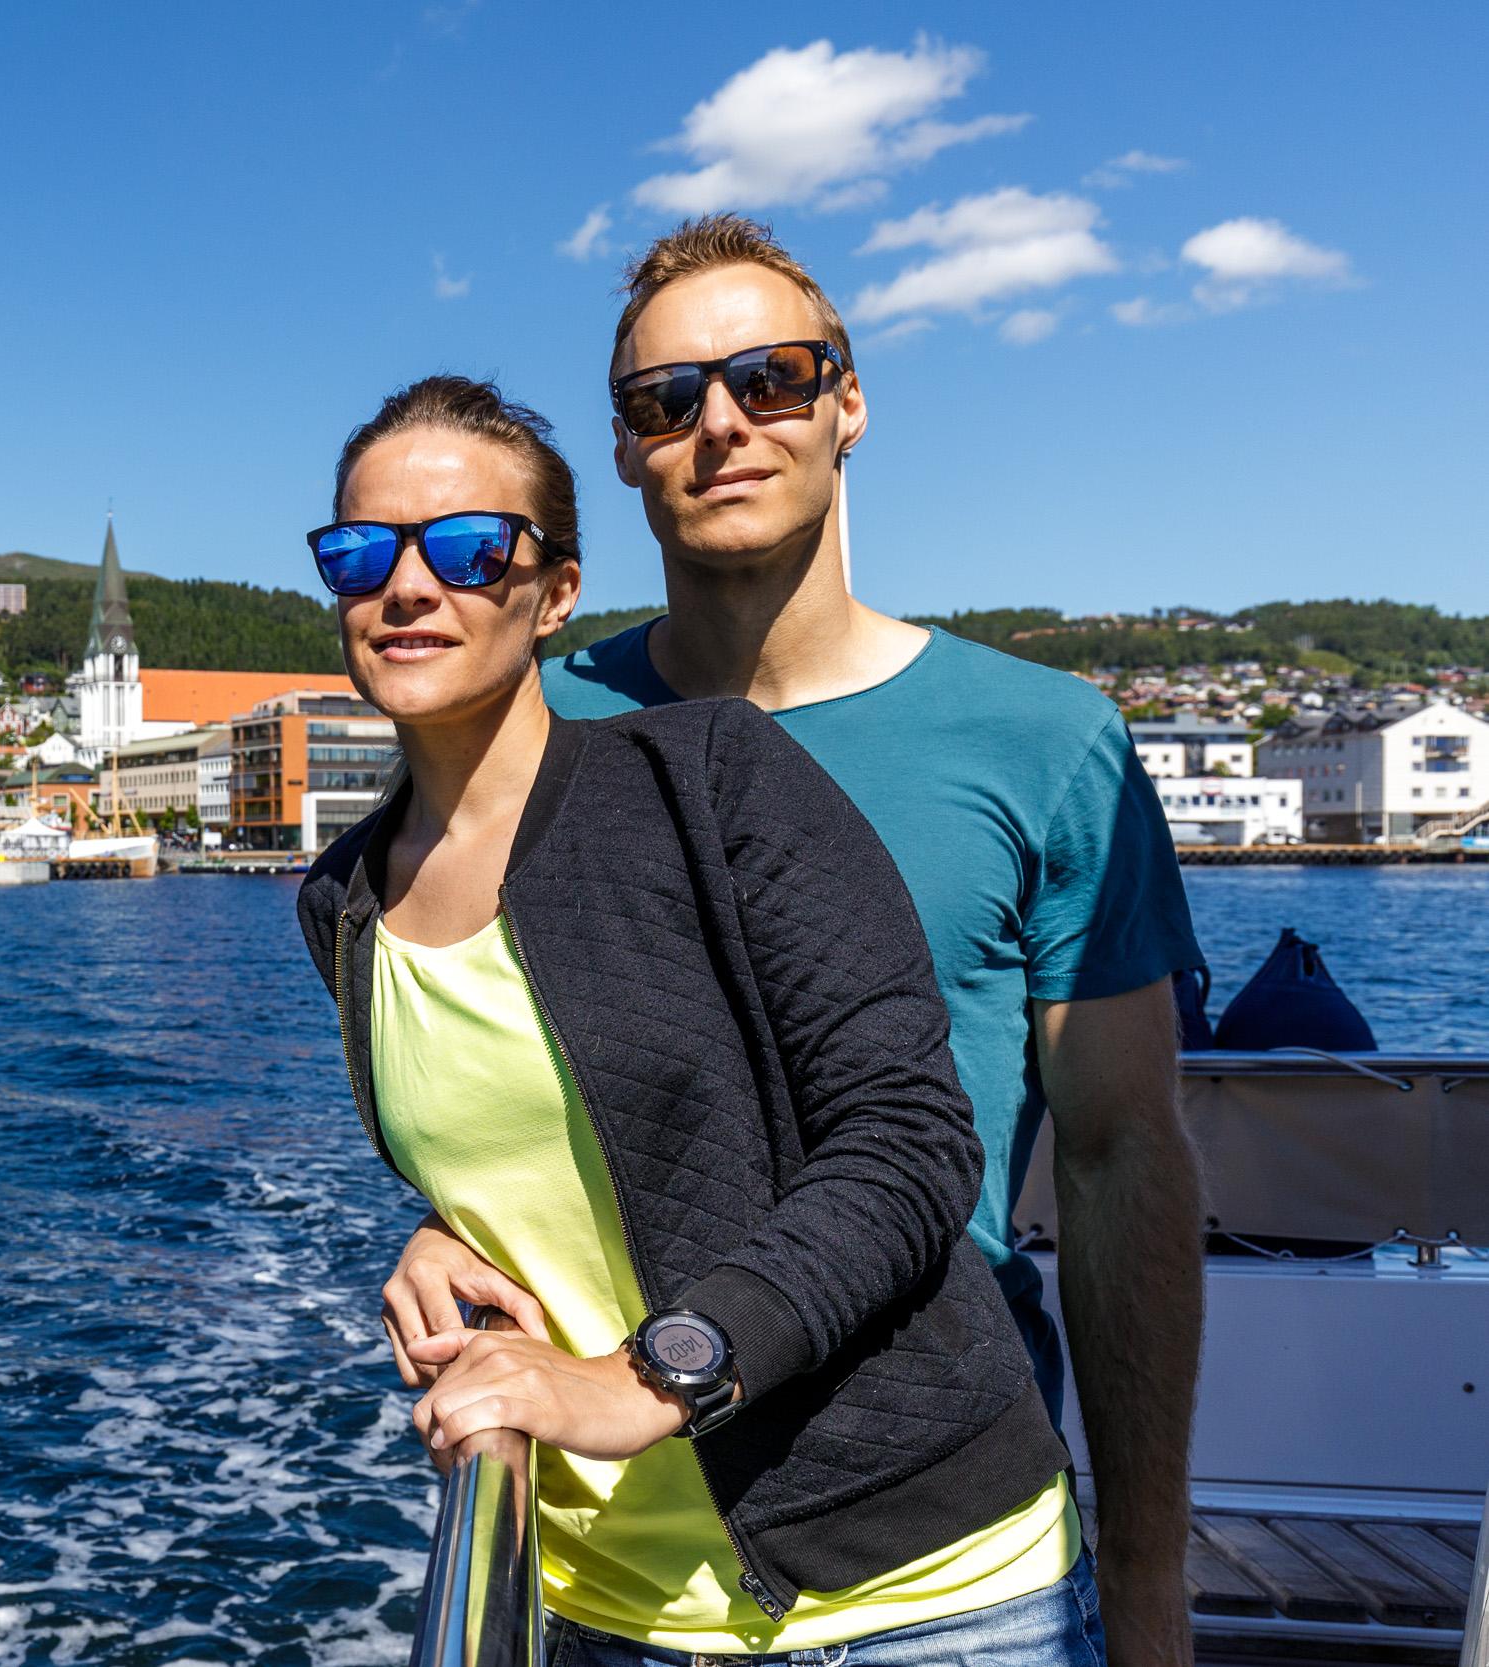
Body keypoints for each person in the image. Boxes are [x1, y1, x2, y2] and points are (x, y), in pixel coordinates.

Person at [298, 375, 1102, 1663]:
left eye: (465, 548)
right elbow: (551, 1133)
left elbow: (907, 1145)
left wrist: (649, 1375)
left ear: (553, 593)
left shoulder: (707, 780)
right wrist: (443, 1236)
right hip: (601, 1605)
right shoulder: (344, 900)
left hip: (914, 1593)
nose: (406, 587)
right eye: (361, 552)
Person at [488, 213, 1197, 1663]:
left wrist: (1144, 1573)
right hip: (620, 1566)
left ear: (849, 405)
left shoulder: (1046, 743)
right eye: (665, 399)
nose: (724, 424)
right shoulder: (537, 738)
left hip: (955, 1570)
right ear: (623, 452)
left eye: (777, 377)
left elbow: (1125, 1161)